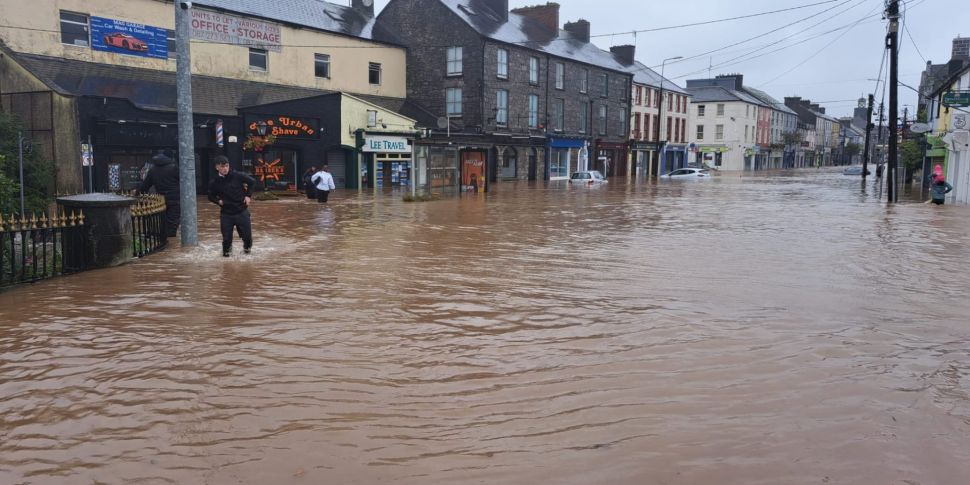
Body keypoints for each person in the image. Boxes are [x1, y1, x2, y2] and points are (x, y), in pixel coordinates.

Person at [207, 156, 257, 256]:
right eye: (222, 166)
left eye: (227, 166)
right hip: (226, 214)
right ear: (217, 167)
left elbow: (252, 182)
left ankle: (247, 253)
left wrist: (248, 196)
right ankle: (226, 261)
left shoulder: (237, 175)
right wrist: (218, 201)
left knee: (247, 238)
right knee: (226, 240)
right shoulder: (215, 182)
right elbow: (210, 196)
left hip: (241, 211)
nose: (225, 168)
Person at [138, 150, 180, 237]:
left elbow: (145, 185)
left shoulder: (152, 169)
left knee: (162, 221)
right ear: (171, 157)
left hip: (160, 199)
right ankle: (170, 243)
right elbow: (185, 182)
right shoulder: (174, 167)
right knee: (172, 224)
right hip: (175, 199)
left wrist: (137, 193)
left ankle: (164, 240)